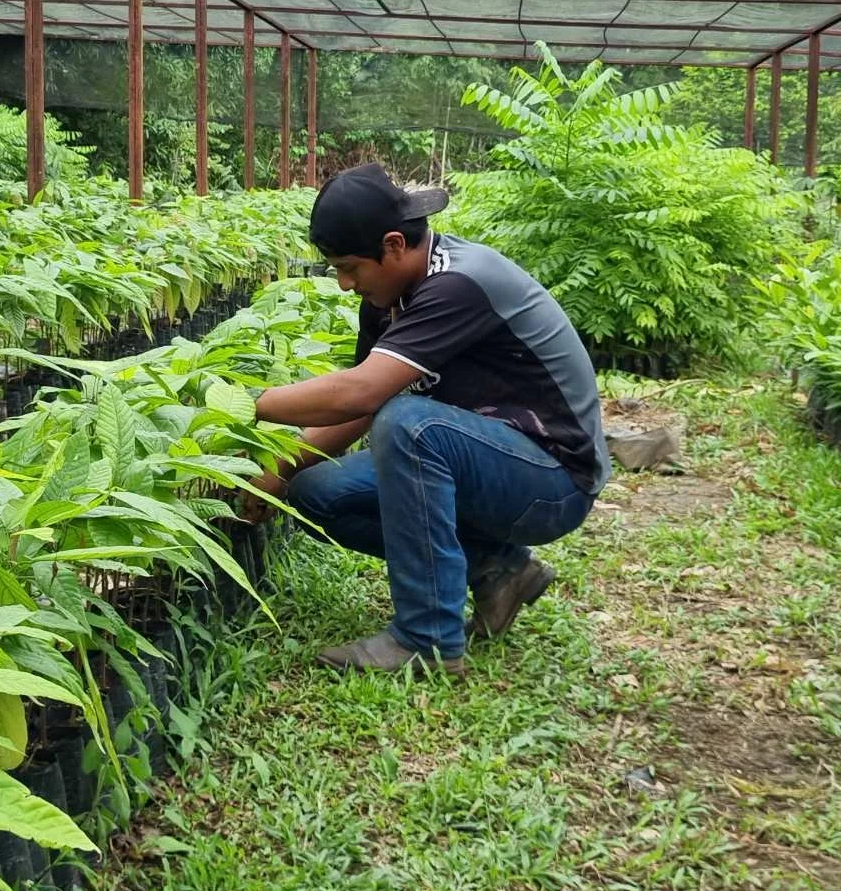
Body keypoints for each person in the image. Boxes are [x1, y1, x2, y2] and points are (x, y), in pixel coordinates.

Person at [247, 163, 610, 675]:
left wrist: (245, 403)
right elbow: (364, 401)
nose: (345, 284)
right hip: (486, 462)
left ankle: (426, 638)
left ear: (394, 245)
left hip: (553, 481)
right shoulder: (388, 296)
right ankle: (497, 567)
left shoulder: (459, 283)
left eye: (350, 267)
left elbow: (362, 392)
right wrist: (282, 471)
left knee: (409, 424)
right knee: (317, 493)